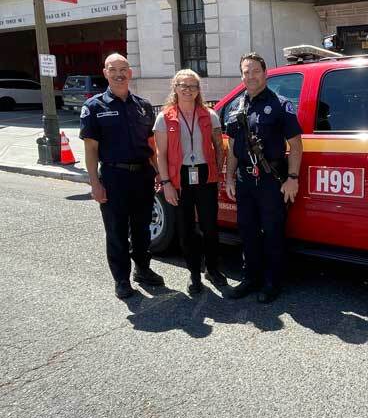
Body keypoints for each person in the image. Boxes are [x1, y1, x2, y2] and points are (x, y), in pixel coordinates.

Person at [80, 53, 165, 299]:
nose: (118, 73)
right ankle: (121, 279)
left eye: (123, 69)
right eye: (112, 69)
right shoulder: (94, 107)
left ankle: (143, 269)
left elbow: (150, 145)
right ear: (105, 73)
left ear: (130, 72)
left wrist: (159, 173)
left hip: (142, 176)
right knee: (116, 231)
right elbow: (91, 149)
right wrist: (94, 183)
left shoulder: (143, 106)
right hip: (113, 176)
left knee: (141, 228)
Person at [224, 53, 303, 303]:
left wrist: (292, 177)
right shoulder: (237, 105)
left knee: (272, 232)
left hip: (271, 180)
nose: (250, 76)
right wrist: (229, 178)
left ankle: (272, 282)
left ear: (265, 73)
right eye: (245, 72)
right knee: (247, 231)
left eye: (255, 71)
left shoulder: (281, 104)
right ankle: (250, 278)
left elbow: (296, 145)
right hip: (245, 179)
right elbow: (233, 147)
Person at [154, 69, 228, 295]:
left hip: (205, 175)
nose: (188, 90)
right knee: (186, 229)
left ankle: (213, 269)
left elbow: (219, 147)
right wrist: (166, 183)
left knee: (209, 227)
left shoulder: (209, 115)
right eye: (183, 86)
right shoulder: (164, 118)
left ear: (198, 91)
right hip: (180, 178)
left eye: (192, 86)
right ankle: (194, 273)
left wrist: (217, 173)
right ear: (175, 88)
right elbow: (160, 154)